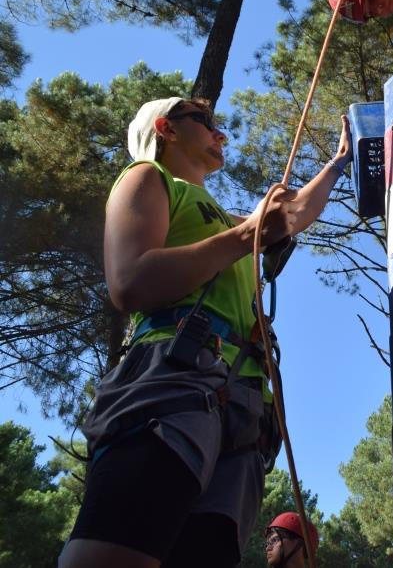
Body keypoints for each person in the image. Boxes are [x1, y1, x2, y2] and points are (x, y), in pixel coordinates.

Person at [58, 97, 351, 568]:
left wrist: (340, 163)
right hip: (174, 380)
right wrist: (246, 235)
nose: (221, 134)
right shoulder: (148, 178)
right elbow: (130, 281)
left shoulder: (221, 218)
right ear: (166, 129)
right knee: (113, 552)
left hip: (242, 410)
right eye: (206, 122)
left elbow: (292, 215)